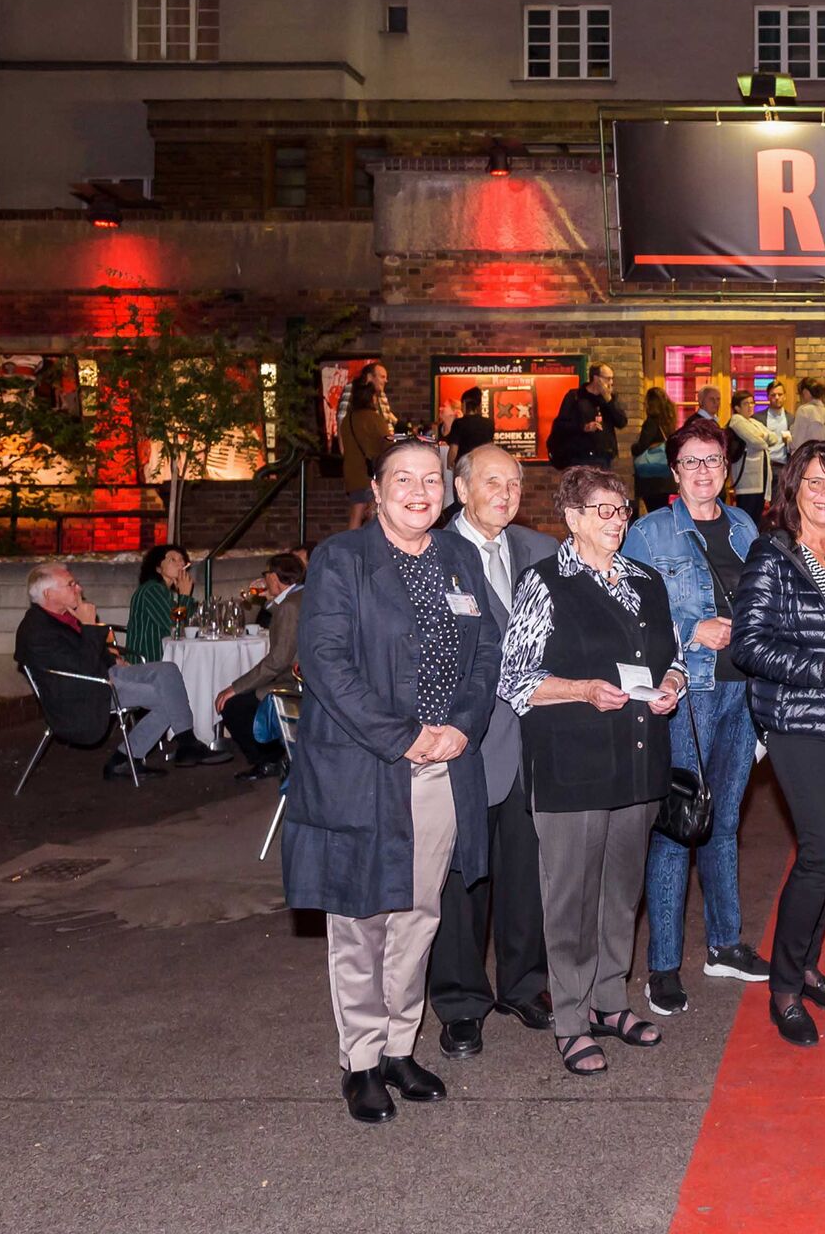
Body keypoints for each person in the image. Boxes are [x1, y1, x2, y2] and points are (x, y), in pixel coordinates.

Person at [283, 439, 502, 1124]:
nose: (418, 490)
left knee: (418, 914)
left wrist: (462, 726)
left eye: (429, 479)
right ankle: (362, 1060)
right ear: (375, 490)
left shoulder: (458, 557)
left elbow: (487, 650)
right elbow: (323, 662)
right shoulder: (341, 560)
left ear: (445, 491)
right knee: (360, 918)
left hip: (444, 766)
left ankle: (402, 1046)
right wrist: (402, 736)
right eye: (401, 478)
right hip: (364, 767)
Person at [497, 466, 686, 1075]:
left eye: (622, 510)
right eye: (603, 511)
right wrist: (580, 689)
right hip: (572, 768)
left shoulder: (646, 580)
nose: (617, 521)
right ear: (573, 519)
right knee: (570, 901)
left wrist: (672, 687)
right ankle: (571, 1018)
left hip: (636, 766)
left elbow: (673, 657)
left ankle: (610, 1001)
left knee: (620, 894)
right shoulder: (544, 583)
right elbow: (514, 677)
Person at [622, 418, 771, 1017]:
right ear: (674, 471)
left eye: (715, 460)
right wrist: (691, 631)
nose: (706, 471)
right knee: (679, 824)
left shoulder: (743, 525)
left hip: (743, 691)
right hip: (689, 694)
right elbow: (628, 615)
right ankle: (662, 965)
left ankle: (725, 943)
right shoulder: (648, 533)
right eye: (693, 462)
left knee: (726, 821)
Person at [733, 440, 825, 1047]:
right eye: (815, 482)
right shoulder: (773, 555)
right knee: (818, 851)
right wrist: (821, 669)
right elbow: (748, 645)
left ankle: (809, 965)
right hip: (795, 720)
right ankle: (784, 986)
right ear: (793, 489)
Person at [424, 445, 558, 1061]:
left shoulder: (540, 551)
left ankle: (525, 984)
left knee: (526, 871)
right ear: (460, 487)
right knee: (460, 878)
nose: (504, 493)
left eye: (514, 483)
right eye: (491, 482)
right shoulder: (431, 552)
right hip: (461, 743)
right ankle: (459, 1004)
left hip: (530, 742)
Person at [15, 563, 230, 780]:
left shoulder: (66, 615)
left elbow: (88, 653)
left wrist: (114, 659)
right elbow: (82, 667)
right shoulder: (36, 630)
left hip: (103, 674)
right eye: (71, 585)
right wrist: (89, 626)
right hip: (83, 692)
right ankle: (124, 760)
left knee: (167, 670)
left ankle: (186, 741)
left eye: (76, 583)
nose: (78, 588)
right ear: (48, 594)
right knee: (165, 698)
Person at [215, 552, 305, 781]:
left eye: (266, 576)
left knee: (234, 705)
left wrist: (235, 687)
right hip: (296, 674)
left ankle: (268, 760)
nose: (264, 581)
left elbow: (277, 661)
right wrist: (269, 599)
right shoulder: (298, 597)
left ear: (274, 577)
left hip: (294, 681)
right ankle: (276, 755)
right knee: (243, 697)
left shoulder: (290, 606)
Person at [547, 364, 628, 470]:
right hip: (579, 456)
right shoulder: (575, 397)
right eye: (608, 379)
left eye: (612, 379)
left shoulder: (609, 399)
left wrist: (608, 400)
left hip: (602, 457)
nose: (611, 382)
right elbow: (561, 425)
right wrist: (584, 427)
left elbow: (621, 422)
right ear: (596, 378)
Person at [125, 543, 195, 663]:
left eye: (182, 560)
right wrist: (185, 596)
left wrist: (183, 596)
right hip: (147, 662)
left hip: (162, 660)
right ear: (158, 568)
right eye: (172, 560)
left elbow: (188, 623)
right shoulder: (152, 590)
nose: (181, 564)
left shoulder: (165, 592)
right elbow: (176, 628)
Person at [726, 390, 786, 523]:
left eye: (752, 403)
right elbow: (757, 442)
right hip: (748, 480)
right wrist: (761, 437)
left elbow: (774, 438)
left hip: (760, 479)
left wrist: (761, 436)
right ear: (737, 407)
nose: (750, 406)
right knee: (747, 517)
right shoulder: (737, 421)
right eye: (746, 403)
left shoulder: (753, 422)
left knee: (757, 517)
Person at [341, 378, 393, 531]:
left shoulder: (347, 419)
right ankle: (371, 549)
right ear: (371, 398)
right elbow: (387, 442)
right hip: (369, 473)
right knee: (373, 514)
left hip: (352, 472)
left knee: (356, 514)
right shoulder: (373, 418)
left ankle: (351, 549)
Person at [632, 386, 677, 514]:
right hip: (665, 477)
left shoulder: (651, 422)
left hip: (652, 480)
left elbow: (641, 446)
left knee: (654, 513)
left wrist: (633, 447)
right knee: (662, 512)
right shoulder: (668, 422)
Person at [335, 362, 397, 440]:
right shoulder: (352, 388)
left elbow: (388, 421)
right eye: (382, 377)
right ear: (369, 377)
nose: (386, 381)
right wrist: (344, 448)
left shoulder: (382, 395)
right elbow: (341, 418)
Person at [445, 387, 496, 470]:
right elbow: (490, 446)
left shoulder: (459, 423)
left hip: (464, 466)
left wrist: (449, 464)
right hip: (483, 465)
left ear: (464, 403)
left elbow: (454, 449)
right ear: (478, 405)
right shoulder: (489, 423)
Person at [789, 380, 825, 448]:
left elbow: (796, 443)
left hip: (809, 457)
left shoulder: (803, 411)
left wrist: (788, 439)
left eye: (800, 394)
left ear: (806, 392)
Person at [762, 380, 793, 467]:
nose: (777, 397)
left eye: (780, 394)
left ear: (785, 396)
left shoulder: (792, 419)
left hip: (784, 465)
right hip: (765, 466)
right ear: (768, 397)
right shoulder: (758, 419)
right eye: (773, 395)